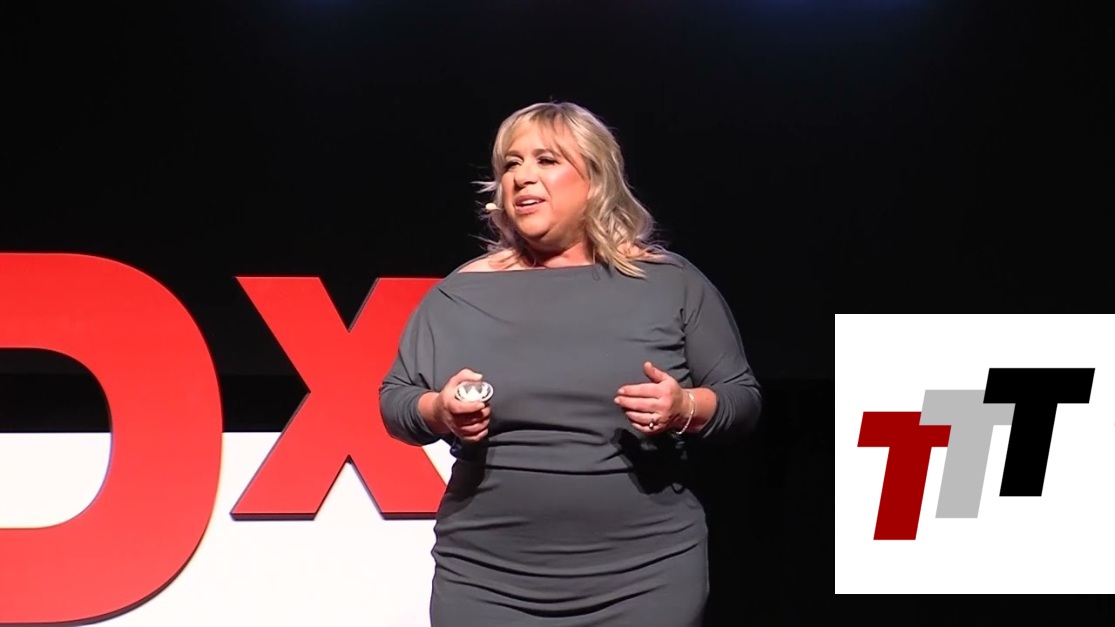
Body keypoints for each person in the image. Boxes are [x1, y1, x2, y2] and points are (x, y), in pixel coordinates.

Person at [379, 101, 762, 626]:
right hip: (488, 579)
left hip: (644, 576)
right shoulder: (461, 294)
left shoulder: (669, 283)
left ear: (596, 179)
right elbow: (396, 399)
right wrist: (439, 411)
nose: (522, 177)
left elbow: (741, 398)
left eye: (546, 160)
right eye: (511, 164)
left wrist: (685, 407)